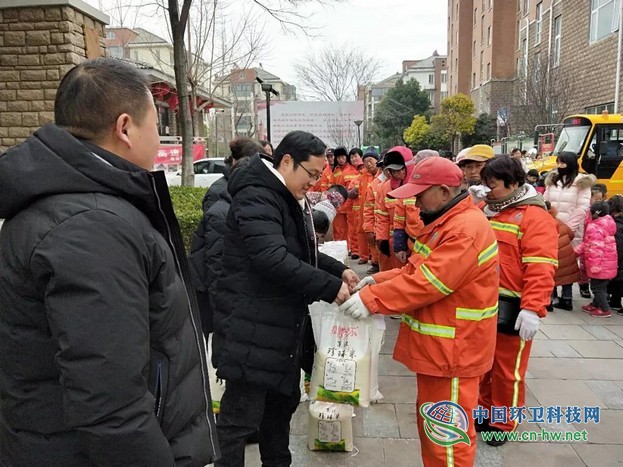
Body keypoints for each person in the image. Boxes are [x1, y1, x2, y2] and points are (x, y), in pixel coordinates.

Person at [0, 59, 219, 465]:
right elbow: (110, 401)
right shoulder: (92, 226)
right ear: (125, 128)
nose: (158, 138)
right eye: (156, 125)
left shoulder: (74, 206)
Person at [212, 131, 360, 467]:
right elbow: (272, 258)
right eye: (311, 174)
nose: (314, 182)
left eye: (319, 176)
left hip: (279, 325)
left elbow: (299, 249)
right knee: (240, 419)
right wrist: (328, 287)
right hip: (252, 327)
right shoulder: (257, 195)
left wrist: (337, 271)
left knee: (281, 408)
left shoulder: (283, 193)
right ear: (287, 161)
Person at [340, 157, 499, 466]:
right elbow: (416, 270)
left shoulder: (463, 229)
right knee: (435, 428)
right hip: (444, 350)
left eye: (420, 193)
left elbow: (428, 283)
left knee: (447, 439)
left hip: (455, 350)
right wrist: (378, 279)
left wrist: (372, 300)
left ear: (442, 190)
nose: (414, 200)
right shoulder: (447, 222)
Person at [477, 156, 558, 446]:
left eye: (493, 185)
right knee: (485, 365)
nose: (488, 190)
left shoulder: (535, 218)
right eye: (485, 185)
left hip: (513, 307)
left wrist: (532, 308)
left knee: (507, 370)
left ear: (513, 183)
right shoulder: (491, 210)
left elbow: (541, 267)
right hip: (484, 304)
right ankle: (484, 410)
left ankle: (503, 421)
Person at [189, 138, 263, 335]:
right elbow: (217, 261)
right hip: (209, 290)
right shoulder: (220, 195)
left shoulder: (238, 193)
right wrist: (222, 313)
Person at [544, 151, 595, 310]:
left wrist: (568, 228)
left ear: (571, 164)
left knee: (568, 263)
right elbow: (545, 201)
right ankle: (550, 298)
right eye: (558, 162)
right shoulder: (552, 180)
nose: (559, 166)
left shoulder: (581, 183)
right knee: (550, 262)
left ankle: (567, 298)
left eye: (563, 163)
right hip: (551, 226)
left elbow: (582, 207)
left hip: (570, 230)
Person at [374, 146, 415, 271]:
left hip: (414, 243)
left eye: (399, 170)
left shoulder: (418, 188)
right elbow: (382, 217)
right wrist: (382, 240)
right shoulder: (383, 188)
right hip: (392, 245)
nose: (396, 174)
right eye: (392, 171)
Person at [576, 201, 618, 318]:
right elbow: (587, 244)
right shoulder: (607, 223)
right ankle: (596, 304)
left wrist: (594, 267)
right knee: (600, 287)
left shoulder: (594, 227)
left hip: (599, 266)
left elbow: (595, 248)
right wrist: (576, 252)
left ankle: (604, 309)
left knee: (597, 288)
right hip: (608, 264)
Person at [546, 201, 580, 311]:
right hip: (567, 256)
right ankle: (567, 300)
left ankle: (548, 302)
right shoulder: (558, 221)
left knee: (550, 279)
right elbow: (571, 234)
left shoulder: (542, 223)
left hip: (553, 256)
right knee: (567, 279)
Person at [331, 146, 358, 247]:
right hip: (339, 205)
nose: (341, 159)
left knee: (353, 228)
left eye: (343, 157)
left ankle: (353, 248)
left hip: (351, 204)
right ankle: (342, 248)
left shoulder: (353, 169)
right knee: (339, 229)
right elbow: (332, 186)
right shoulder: (335, 171)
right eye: (338, 158)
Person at [346, 147, 365, 259]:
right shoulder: (347, 172)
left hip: (365, 206)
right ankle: (355, 251)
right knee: (353, 230)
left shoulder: (368, 171)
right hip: (352, 206)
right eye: (351, 157)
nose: (353, 159)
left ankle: (368, 254)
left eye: (355, 156)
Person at [607, 195, 623, 314]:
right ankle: (615, 301)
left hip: (620, 258)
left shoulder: (616, 225)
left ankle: (615, 301)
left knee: (619, 280)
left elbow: (619, 245)